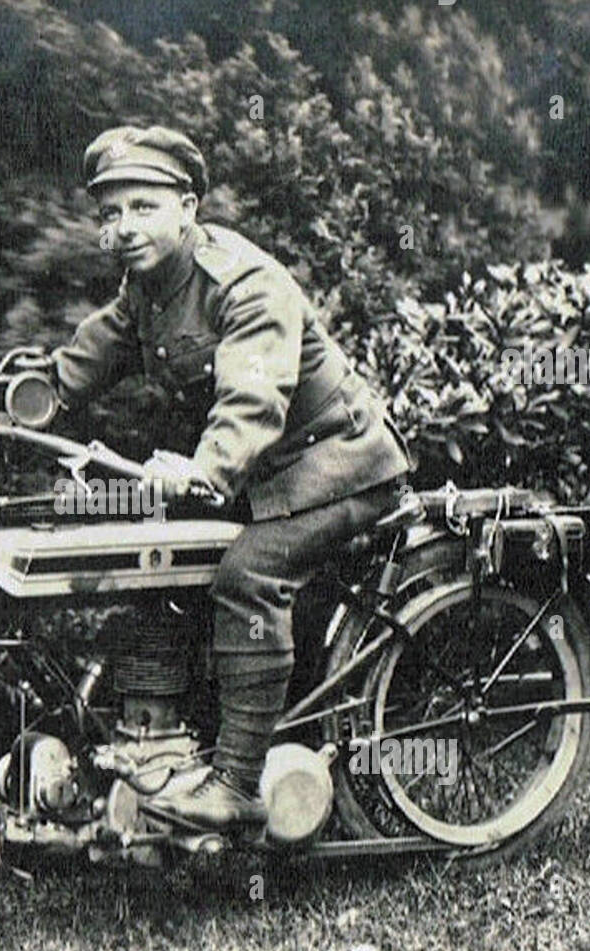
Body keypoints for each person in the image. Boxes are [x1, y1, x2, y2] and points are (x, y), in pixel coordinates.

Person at [51, 125, 411, 830]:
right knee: (157, 558)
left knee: (250, 573)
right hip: (267, 478)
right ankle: (159, 743)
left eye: (143, 206)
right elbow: (88, 355)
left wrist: (202, 469)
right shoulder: (148, 287)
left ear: (188, 207)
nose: (124, 227)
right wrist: (19, 394)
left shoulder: (243, 282)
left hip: (336, 465)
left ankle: (237, 786)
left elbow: (254, 394)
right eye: (110, 212)